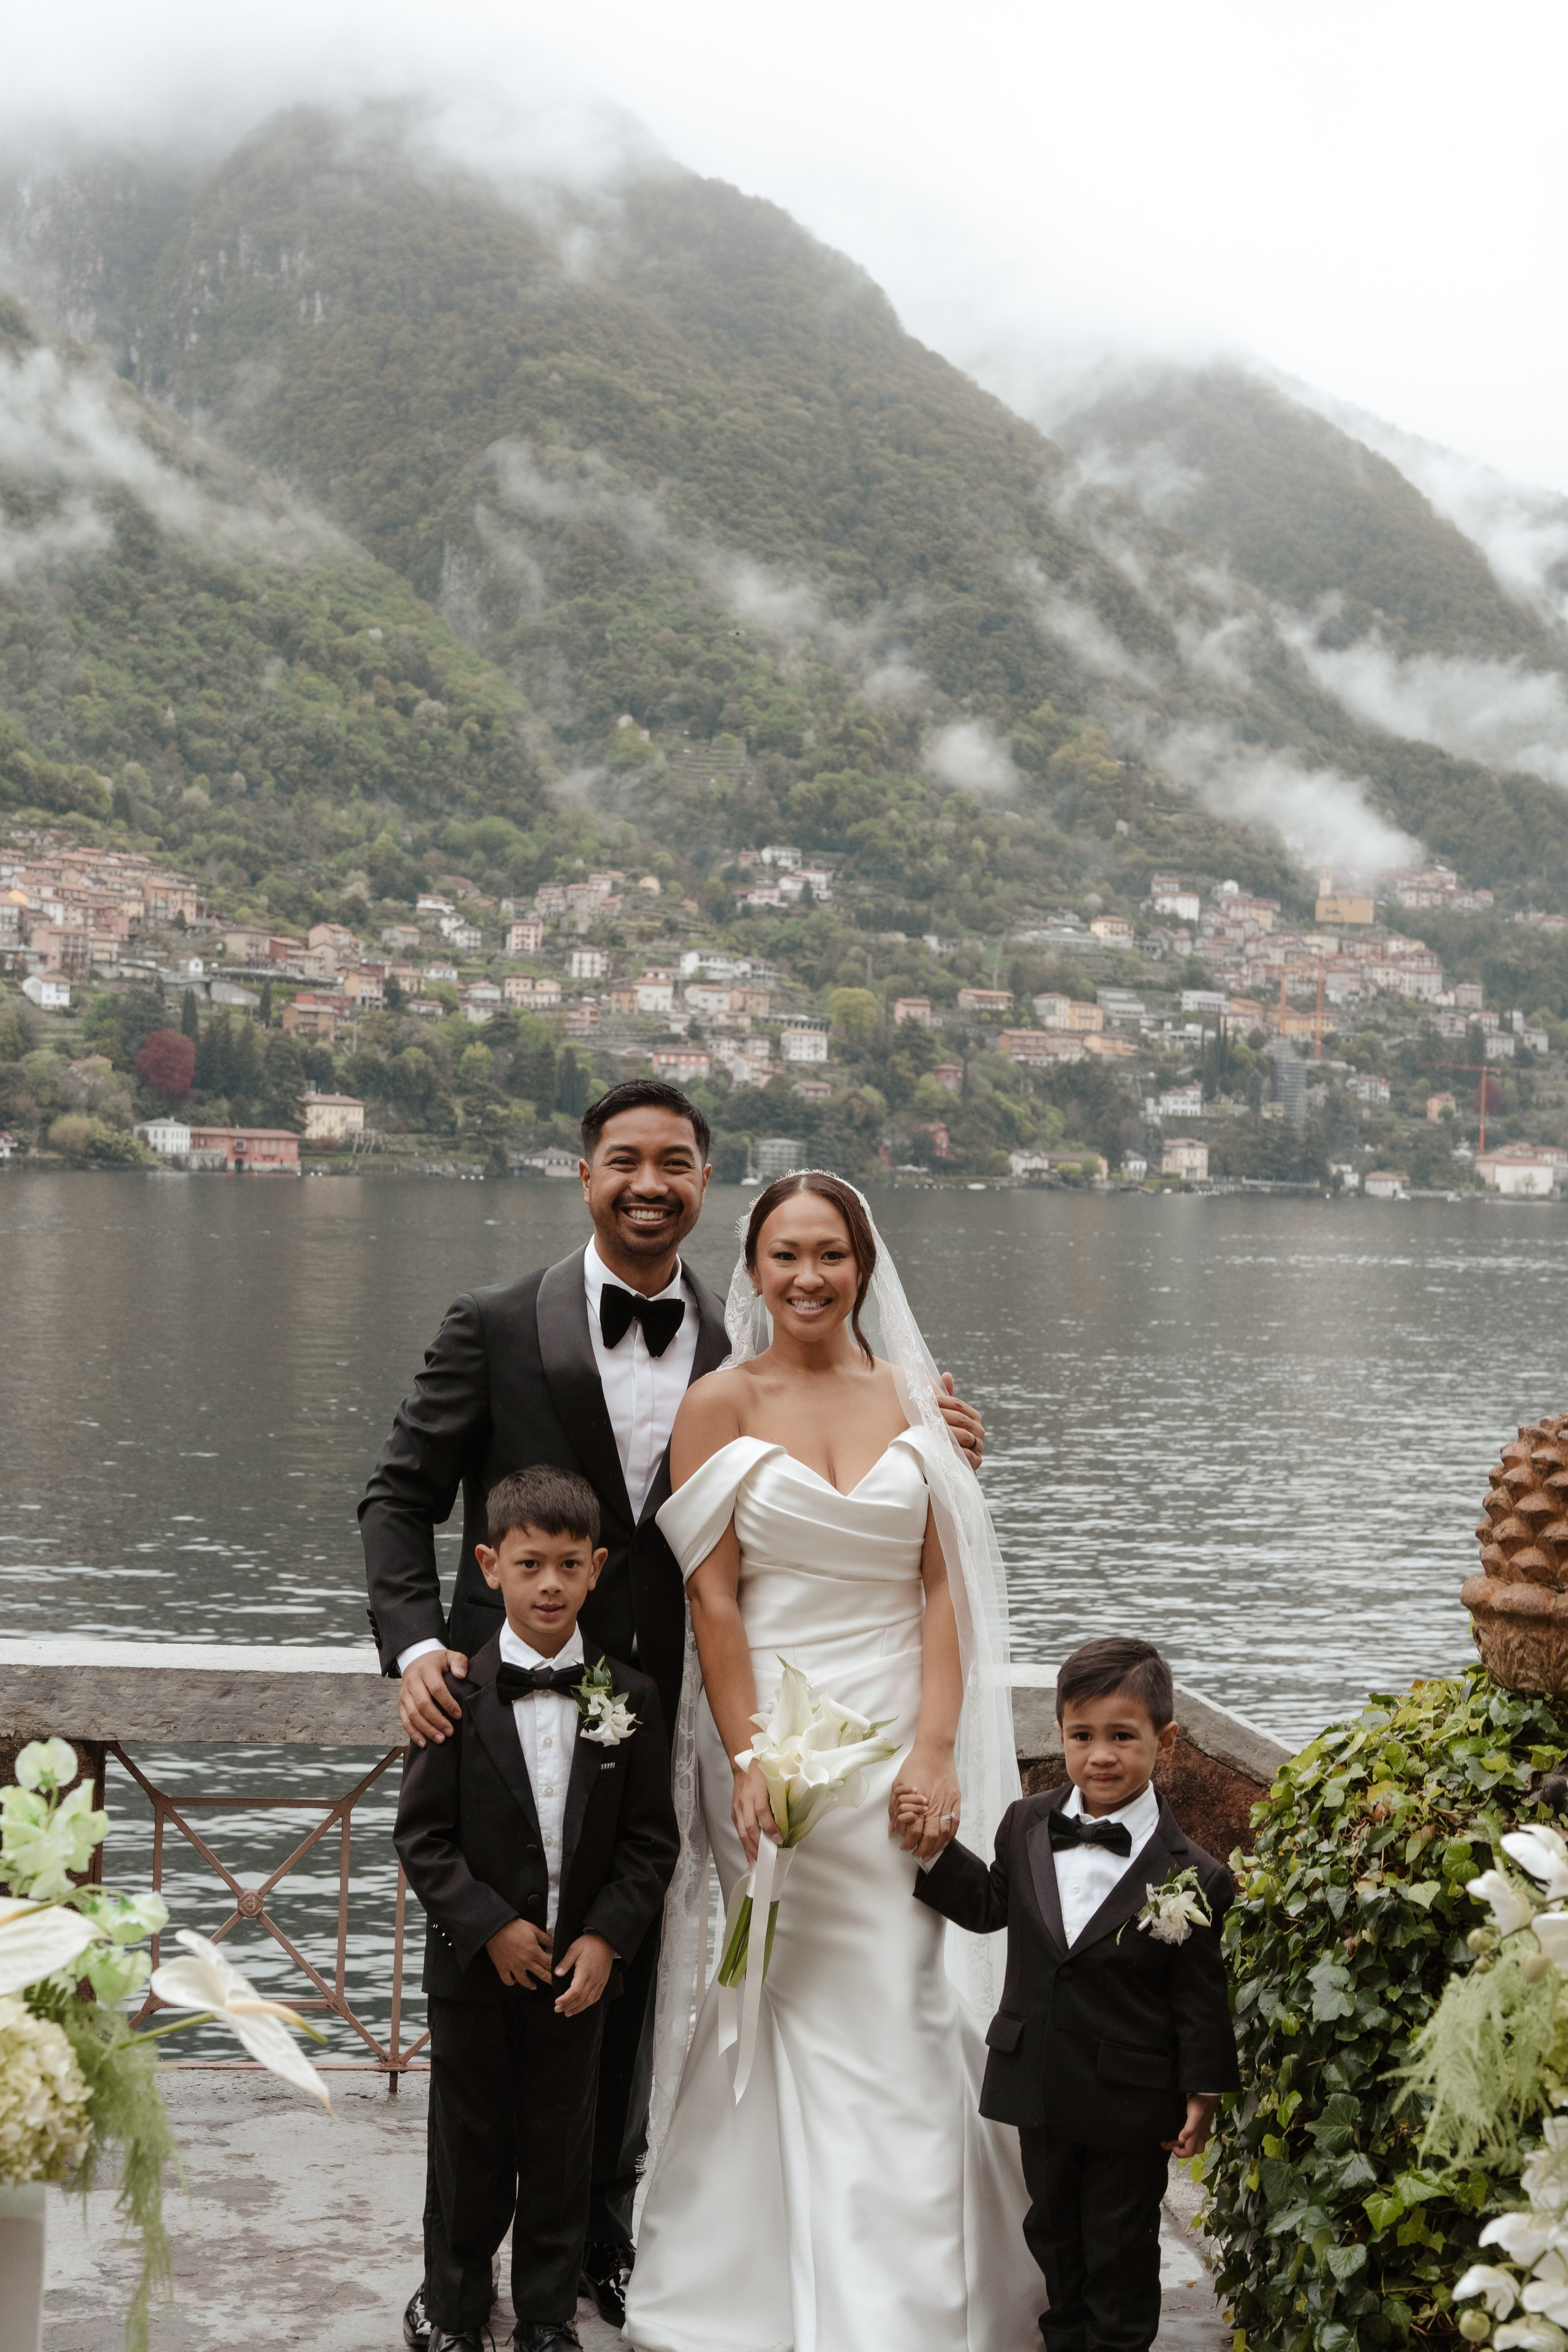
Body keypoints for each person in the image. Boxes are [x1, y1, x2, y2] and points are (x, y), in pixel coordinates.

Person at [361, 1079, 987, 2326]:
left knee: (637, 1972)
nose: (650, 1185)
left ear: (705, 1187)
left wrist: (946, 1445)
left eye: (677, 1165)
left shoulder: (735, 1336)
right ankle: (452, 2285)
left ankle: (598, 2243)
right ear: (583, 1169)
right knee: (489, 2013)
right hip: (508, 1717)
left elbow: (834, 1480)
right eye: (624, 1161)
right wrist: (418, 1649)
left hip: (672, 1718)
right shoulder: (490, 1322)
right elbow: (397, 1495)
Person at [624, 1171, 1040, 2352]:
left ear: (865, 1266)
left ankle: (920, 2297)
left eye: (831, 1255)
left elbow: (944, 1586)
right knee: (784, 1989)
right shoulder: (718, 1401)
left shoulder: (922, 1400)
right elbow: (712, 1602)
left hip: (904, 1734)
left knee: (910, 1990)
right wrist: (752, 1759)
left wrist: (937, 1750)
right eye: (785, 1255)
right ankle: (750, 2283)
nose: (809, 1277)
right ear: (751, 1270)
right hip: (782, 1740)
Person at [393, 1465, 679, 2352]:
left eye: (566, 1565)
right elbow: (423, 1839)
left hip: (578, 1977)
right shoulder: (456, 1692)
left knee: (564, 2150)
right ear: (489, 1566)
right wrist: (490, 1928)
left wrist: (606, 1938)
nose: (549, 1583)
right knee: (468, 2147)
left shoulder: (625, 1696)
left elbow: (648, 1842)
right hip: (476, 1971)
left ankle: (549, 2318)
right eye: (529, 1564)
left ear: (597, 1568)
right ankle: (455, 2310)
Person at [911, 1636, 1240, 2352]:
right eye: (1081, 1736)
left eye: (1123, 1737)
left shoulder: (1197, 1875)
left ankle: (1117, 2342)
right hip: (1037, 2079)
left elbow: (1198, 1997)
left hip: (1131, 2098)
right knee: (1052, 2230)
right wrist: (934, 1852)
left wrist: (1203, 2091)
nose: (1100, 1756)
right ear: (1058, 1734)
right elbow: (991, 1906)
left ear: (1166, 1739)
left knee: (1119, 2244)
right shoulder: (1026, 1823)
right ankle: (1065, 2338)